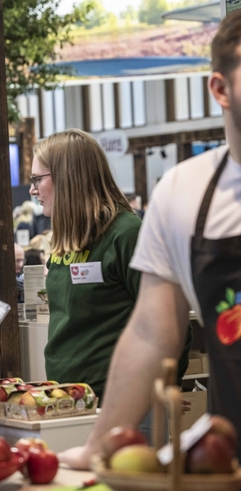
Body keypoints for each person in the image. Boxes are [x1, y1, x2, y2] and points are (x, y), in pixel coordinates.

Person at [61, 12, 241, 466]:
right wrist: (99, 446)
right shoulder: (185, 192)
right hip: (228, 463)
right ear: (220, 89)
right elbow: (150, 333)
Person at [30, 129, 190, 403]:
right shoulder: (69, 235)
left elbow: (172, 319)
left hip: (124, 401)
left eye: (37, 179)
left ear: (68, 177)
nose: (32, 189)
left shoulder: (127, 233)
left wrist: (165, 386)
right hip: (68, 397)